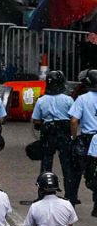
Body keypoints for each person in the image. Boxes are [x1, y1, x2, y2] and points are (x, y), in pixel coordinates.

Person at [33, 71, 78, 201]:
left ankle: (42, 194)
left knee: (46, 165)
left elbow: (36, 120)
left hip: (48, 135)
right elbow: (73, 118)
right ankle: (70, 196)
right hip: (64, 134)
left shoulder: (42, 100)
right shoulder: (68, 99)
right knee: (67, 166)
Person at [71, 70, 97, 204]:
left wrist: (73, 137)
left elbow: (74, 121)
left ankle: (72, 197)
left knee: (76, 169)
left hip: (87, 137)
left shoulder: (82, 99)